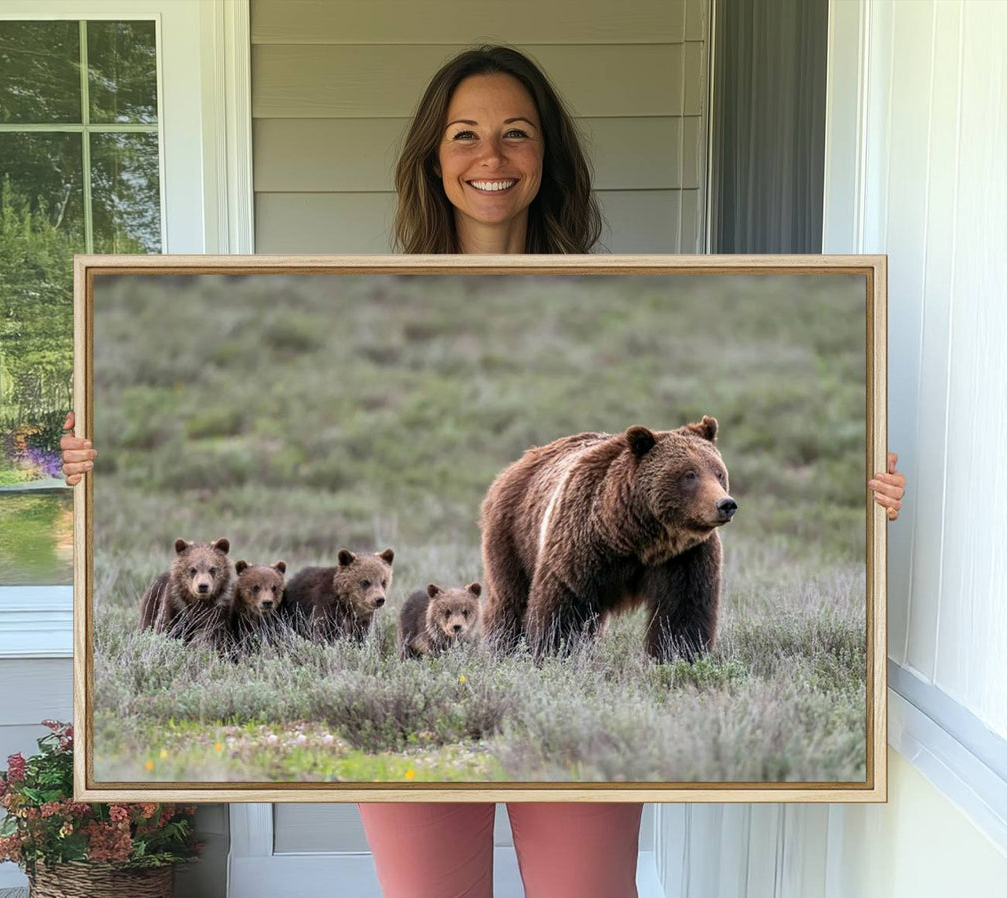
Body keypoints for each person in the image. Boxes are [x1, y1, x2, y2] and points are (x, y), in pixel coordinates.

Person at [61, 45, 906, 898]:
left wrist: (872, 501)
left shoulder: (627, 291)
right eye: (465, 135)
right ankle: (512, 660)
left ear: (548, 157)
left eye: (516, 134)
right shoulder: (359, 292)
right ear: (434, 157)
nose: (491, 157)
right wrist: (90, 462)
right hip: (517, 531)